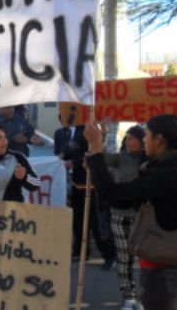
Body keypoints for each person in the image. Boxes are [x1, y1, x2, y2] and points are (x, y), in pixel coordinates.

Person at [84, 114, 177, 310]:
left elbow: (111, 193)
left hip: (166, 270)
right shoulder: (172, 168)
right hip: (171, 265)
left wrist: (96, 146)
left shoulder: (166, 175)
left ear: (159, 140)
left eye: (146, 134)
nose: (143, 139)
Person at [55, 115, 116, 268]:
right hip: (77, 184)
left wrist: (73, 162)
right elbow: (69, 151)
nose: (64, 119)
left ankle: (109, 255)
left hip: (93, 185)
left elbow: (95, 152)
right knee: (78, 221)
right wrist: (63, 156)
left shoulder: (88, 129)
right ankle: (80, 251)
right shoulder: (67, 132)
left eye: (67, 115)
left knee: (98, 223)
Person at [105, 125, 148, 310]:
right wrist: (101, 136)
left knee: (147, 259)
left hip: (144, 217)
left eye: (132, 138)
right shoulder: (120, 158)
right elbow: (100, 157)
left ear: (143, 140)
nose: (128, 142)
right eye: (127, 138)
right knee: (124, 258)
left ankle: (145, 297)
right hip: (120, 215)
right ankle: (129, 297)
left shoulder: (152, 160)